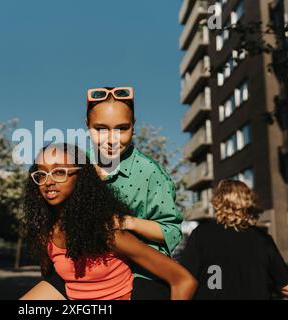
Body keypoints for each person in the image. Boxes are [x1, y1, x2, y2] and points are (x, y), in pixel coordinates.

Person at [44, 87, 184, 299]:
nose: (111, 139)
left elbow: (172, 230)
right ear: (87, 126)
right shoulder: (79, 163)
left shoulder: (150, 173)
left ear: (133, 126)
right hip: (86, 264)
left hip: (142, 270)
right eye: (100, 129)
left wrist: (128, 222)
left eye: (121, 128)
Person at [20, 143, 196, 300]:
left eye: (59, 172)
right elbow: (50, 279)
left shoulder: (105, 231)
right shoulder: (47, 231)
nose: (48, 181)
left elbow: (183, 280)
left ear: (80, 177)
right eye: (41, 174)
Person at [180, 180, 288, 300]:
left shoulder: (201, 234)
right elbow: (287, 287)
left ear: (218, 202)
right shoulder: (262, 239)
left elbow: (184, 279)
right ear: (247, 203)